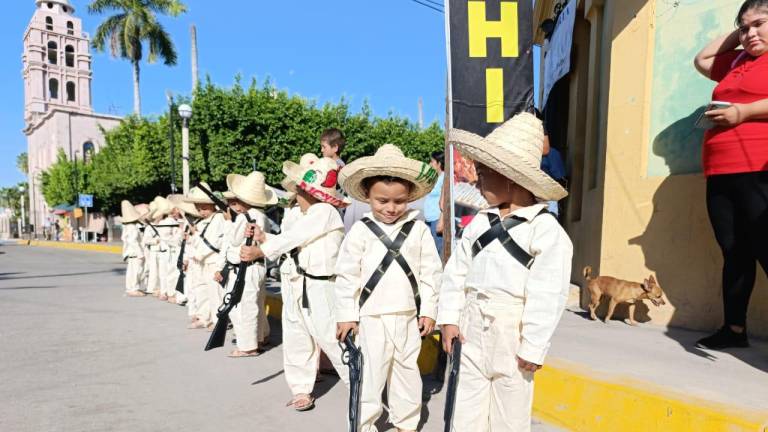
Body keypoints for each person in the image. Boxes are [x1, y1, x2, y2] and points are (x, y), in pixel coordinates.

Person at [437, 112, 572, 431]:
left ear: (510, 177)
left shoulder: (545, 231)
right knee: (465, 409)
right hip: (472, 327)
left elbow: (548, 294)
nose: (477, 180)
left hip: (513, 333)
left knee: (509, 415)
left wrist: (534, 345)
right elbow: (457, 274)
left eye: (484, 174)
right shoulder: (478, 224)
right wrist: (449, 318)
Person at [334, 144, 442, 432]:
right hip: (370, 317)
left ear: (409, 198)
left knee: (407, 372)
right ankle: (363, 425)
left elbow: (431, 272)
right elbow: (347, 276)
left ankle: (405, 424)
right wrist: (346, 314)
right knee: (368, 375)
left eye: (399, 201)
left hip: (407, 315)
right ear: (367, 195)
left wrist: (429, 310)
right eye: (382, 201)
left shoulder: (418, 229)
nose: (391, 208)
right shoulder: (360, 230)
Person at [239, 154, 351, 412]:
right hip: (296, 282)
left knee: (331, 339)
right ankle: (302, 389)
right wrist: (263, 236)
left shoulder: (324, 211)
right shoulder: (305, 213)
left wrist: (260, 251)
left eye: (299, 188)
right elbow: (291, 239)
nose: (296, 192)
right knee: (297, 337)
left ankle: (361, 386)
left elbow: (293, 238)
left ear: (308, 192)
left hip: (320, 287)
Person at [692, 0, 768, 349]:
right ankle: (733, 330)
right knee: (734, 251)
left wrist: (745, 112)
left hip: (759, 167)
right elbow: (702, 60)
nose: (751, 32)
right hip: (721, 169)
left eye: (760, 24)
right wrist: (741, 36)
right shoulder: (738, 61)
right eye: (745, 26)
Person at [223, 171, 277, 357]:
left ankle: (247, 346)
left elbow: (234, 240)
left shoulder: (244, 217)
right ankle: (261, 336)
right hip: (258, 266)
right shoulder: (260, 215)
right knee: (257, 304)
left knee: (245, 307)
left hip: (246, 267)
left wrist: (230, 222)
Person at [184, 183, 228, 330]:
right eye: (198, 208)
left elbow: (216, 241)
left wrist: (199, 253)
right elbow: (199, 241)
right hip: (202, 262)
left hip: (213, 261)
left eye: (203, 208)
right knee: (202, 291)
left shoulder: (219, 218)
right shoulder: (203, 222)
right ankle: (204, 317)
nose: (201, 211)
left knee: (216, 293)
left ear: (212, 205)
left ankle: (218, 321)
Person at [120, 200, 146, 297]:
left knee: (131, 271)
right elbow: (133, 241)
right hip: (135, 252)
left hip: (130, 252)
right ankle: (133, 288)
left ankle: (130, 288)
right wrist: (140, 253)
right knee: (136, 271)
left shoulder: (127, 226)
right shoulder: (132, 227)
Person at [424, 150, 445, 258]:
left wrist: (441, 221)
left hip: (437, 219)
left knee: (437, 252)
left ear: (439, 163)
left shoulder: (444, 178)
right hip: (429, 219)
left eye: (432, 161)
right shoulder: (435, 178)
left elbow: (444, 203)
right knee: (429, 250)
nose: (430, 164)